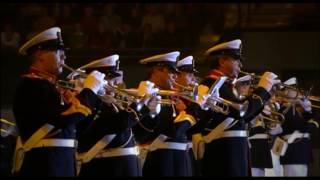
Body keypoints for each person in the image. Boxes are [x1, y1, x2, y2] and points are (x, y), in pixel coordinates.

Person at [12, 27, 106, 176]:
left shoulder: (55, 87)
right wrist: (90, 91)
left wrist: (96, 97)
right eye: (58, 52)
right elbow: (65, 117)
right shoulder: (31, 84)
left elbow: (78, 126)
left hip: (61, 162)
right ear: (41, 54)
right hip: (45, 165)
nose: (64, 58)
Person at [199, 39, 281, 176]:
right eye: (237, 60)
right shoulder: (212, 83)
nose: (241, 65)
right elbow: (241, 111)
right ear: (222, 61)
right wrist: (262, 89)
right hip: (225, 154)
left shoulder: (225, 85)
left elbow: (244, 117)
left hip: (233, 151)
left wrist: (267, 94)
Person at [72, 54, 161, 177]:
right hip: (104, 169)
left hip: (126, 168)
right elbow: (117, 124)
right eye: (110, 79)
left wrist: (150, 112)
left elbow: (138, 136)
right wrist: (139, 102)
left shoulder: (113, 105)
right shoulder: (91, 104)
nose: (114, 84)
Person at [133, 51, 205, 176]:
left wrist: (202, 109)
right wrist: (193, 108)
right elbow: (171, 131)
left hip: (178, 157)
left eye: (176, 73)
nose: (175, 76)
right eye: (172, 72)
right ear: (157, 70)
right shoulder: (148, 95)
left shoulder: (169, 95)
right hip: (160, 159)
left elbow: (191, 130)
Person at [274, 85, 319, 176]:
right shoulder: (284, 109)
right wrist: (313, 124)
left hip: (300, 152)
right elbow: (301, 127)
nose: (299, 93)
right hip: (294, 152)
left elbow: (311, 118)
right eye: (294, 90)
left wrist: (308, 109)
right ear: (287, 92)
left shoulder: (295, 109)